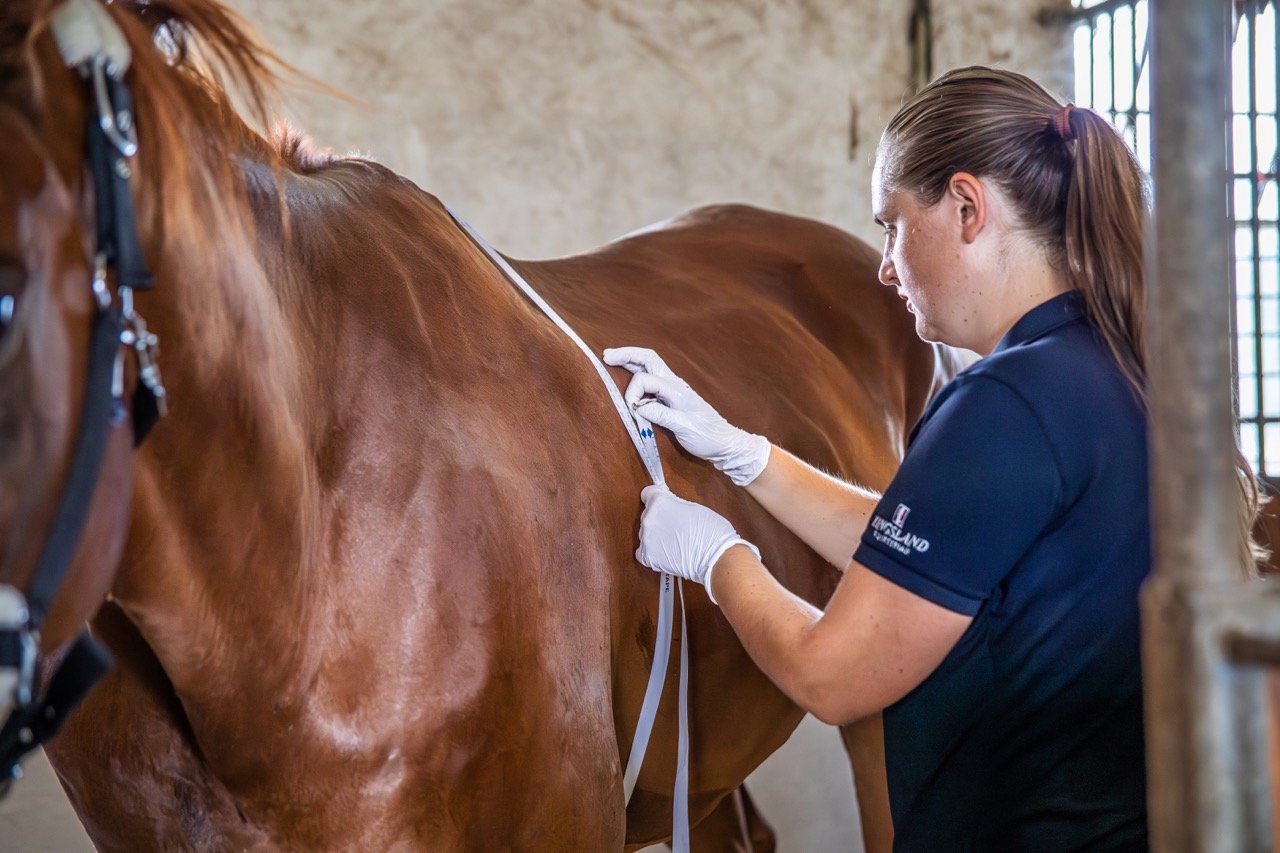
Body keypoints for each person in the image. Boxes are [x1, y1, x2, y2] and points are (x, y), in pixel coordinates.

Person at [603, 66, 1161, 851]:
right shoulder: (1107, 370)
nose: (885, 267)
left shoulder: (1003, 403)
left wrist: (716, 555)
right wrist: (745, 455)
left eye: (891, 225)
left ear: (968, 207)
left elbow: (832, 675)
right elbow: (948, 549)